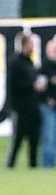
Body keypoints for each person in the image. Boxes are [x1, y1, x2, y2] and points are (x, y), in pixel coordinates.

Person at [6, 33, 44, 168]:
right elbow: (14, 86)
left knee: (34, 140)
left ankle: (33, 166)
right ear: (24, 45)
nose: (33, 47)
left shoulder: (30, 62)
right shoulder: (15, 62)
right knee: (17, 141)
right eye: (31, 44)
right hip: (20, 108)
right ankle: (10, 166)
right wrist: (32, 86)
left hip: (32, 107)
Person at [40, 37, 56, 168]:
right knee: (49, 137)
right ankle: (48, 164)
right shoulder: (44, 66)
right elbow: (40, 87)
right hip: (48, 106)